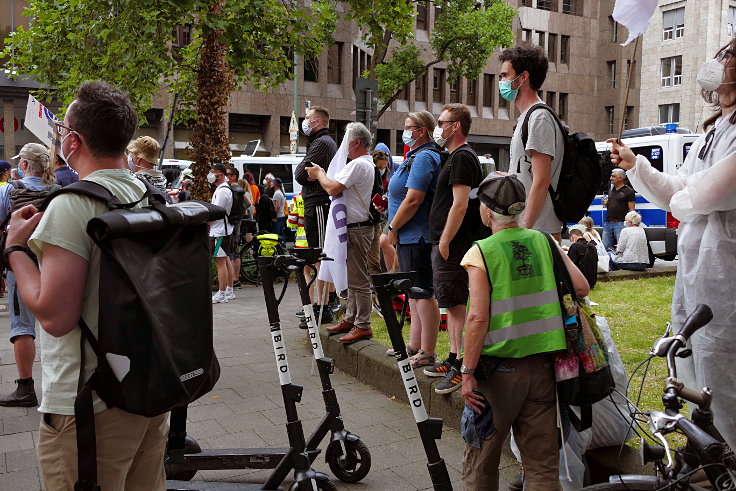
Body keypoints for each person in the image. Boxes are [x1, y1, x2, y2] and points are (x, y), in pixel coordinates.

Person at [4, 81, 167, 488]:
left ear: (73, 140)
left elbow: (56, 317)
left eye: (61, 128)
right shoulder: (145, 192)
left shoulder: (73, 204)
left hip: (88, 403)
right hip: (146, 388)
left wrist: (15, 249)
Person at [608, 38, 736, 452]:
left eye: (730, 57)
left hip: (726, 275)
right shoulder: (714, 130)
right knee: (692, 360)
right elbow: (679, 190)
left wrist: (687, 197)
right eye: (722, 54)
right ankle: (708, 454)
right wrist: (637, 165)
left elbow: (703, 195)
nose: (720, 63)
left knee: (725, 367)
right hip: (698, 269)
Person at [460, 174, 589, 491]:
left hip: (497, 377)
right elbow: (582, 286)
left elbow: (477, 317)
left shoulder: (481, 252)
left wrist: (466, 371)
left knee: (482, 465)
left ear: (488, 211)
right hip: (545, 371)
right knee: (542, 469)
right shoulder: (545, 240)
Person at [424, 103, 484, 394]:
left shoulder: (462, 157)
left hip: (453, 242)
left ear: (455, 126)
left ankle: (460, 365)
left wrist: (445, 239)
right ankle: (452, 358)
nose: (439, 127)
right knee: (452, 303)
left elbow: (460, 204)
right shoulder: (455, 156)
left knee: (456, 305)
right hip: (448, 241)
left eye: (442, 122)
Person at [0, 143, 57, 407]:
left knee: (22, 327)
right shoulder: (60, 193)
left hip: (19, 266)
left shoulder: (7, 191)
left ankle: (25, 388)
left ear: (23, 165)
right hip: (54, 266)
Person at [307, 122, 375, 344]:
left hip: (356, 228)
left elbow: (332, 188)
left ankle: (362, 324)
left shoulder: (358, 165)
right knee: (353, 277)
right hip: (355, 227)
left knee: (358, 279)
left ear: (355, 143)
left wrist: (319, 173)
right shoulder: (364, 163)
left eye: (346, 141)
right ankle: (351, 318)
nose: (343, 146)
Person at [387, 111, 441, 368]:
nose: (405, 132)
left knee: (422, 292)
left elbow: (414, 199)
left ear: (422, 130)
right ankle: (414, 345)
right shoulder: (416, 157)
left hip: (416, 235)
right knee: (414, 293)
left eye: (409, 127)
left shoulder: (424, 158)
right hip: (411, 235)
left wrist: (393, 226)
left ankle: (427, 350)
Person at [499, 45, 564, 239]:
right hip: (532, 229)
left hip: (537, 231)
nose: (501, 81)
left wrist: (524, 228)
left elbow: (541, 180)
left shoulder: (539, 118)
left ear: (523, 77)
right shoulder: (527, 118)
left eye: (505, 75)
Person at [294, 105, 338, 319]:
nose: (305, 121)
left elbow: (300, 174)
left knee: (321, 254)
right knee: (318, 254)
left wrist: (305, 172)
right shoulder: (319, 142)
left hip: (318, 202)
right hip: (315, 202)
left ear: (317, 122)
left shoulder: (321, 143)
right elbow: (302, 172)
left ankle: (324, 306)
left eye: (308, 118)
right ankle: (323, 303)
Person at [209, 162, 235, 304]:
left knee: (220, 262)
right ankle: (229, 291)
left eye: (213, 172)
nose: (211, 175)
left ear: (220, 174)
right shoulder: (223, 189)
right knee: (225, 260)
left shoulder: (222, 191)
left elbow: (216, 212)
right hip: (224, 229)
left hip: (219, 231)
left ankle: (221, 293)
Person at [126, 135, 171, 203]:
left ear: (138, 159)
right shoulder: (162, 178)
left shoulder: (135, 180)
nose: (128, 157)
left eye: (131, 154)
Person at [367, 150, 390, 276]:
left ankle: (377, 292)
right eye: (379, 167)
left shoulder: (382, 179)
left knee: (375, 260)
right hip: (370, 219)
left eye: (384, 167)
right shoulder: (372, 176)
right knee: (372, 260)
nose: (381, 170)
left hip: (376, 220)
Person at [602, 168, 635, 251]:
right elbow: (611, 205)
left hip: (620, 224)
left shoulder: (629, 191)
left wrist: (631, 224)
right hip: (608, 223)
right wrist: (605, 204)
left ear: (620, 178)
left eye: (613, 176)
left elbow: (632, 209)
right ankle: (608, 264)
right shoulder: (611, 190)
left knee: (621, 248)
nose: (610, 178)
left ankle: (620, 263)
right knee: (606, 248)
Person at [226, 167, 246, 288]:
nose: (226, 176)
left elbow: (248, 202)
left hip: (232, 222)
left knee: (232, 251)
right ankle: (235, 279)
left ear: (234, 176)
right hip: (236, 221)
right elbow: (247, 202)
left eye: (228, 174)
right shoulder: (239, 190)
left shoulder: (233, 189)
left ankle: (233, 280)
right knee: (234, 250)